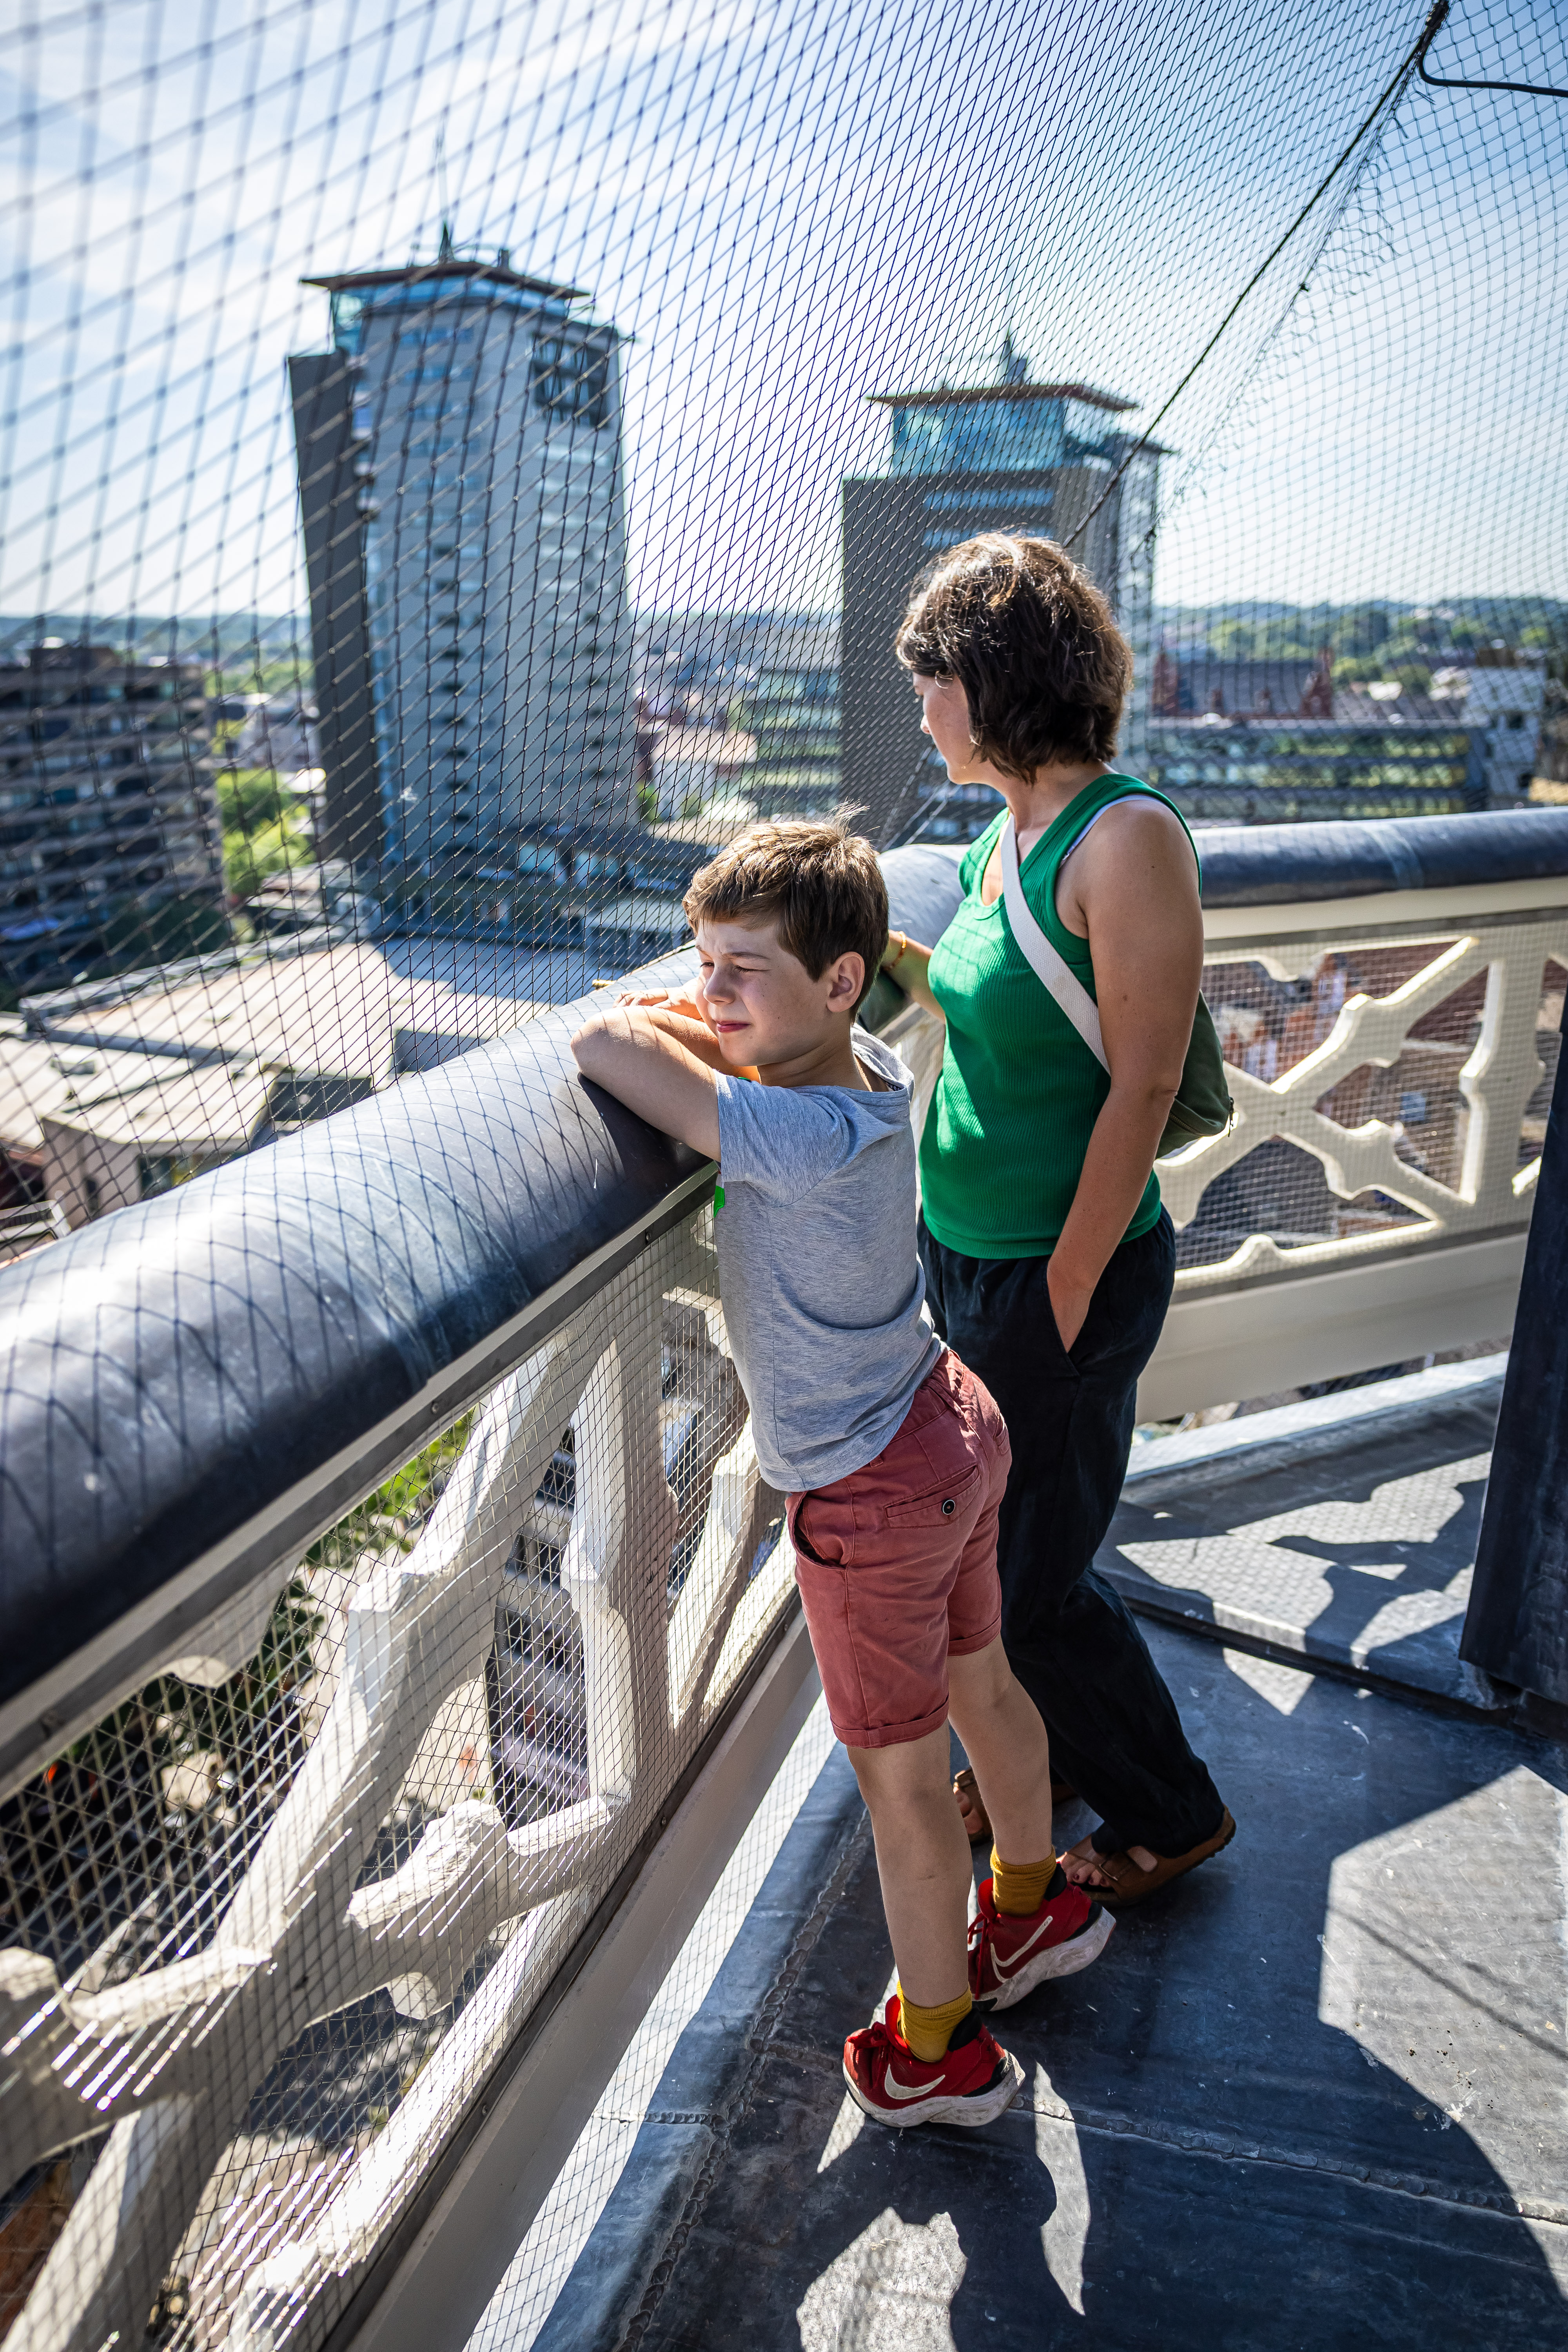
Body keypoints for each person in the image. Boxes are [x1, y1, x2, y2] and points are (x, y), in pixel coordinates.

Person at [571, 819, 1112, 2132]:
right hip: (948, 1422)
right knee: (987, 1686)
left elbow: (601, 1046)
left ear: (840, 981)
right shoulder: (862, 1070)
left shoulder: (793, 1135)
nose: (710, 994)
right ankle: (1033, 1910)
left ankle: (936, 2049)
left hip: (870, 1491)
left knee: (904, 1786)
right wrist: (728, 1002)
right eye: (702, 964)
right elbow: (736, 1045)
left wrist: (650, 1009)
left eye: (740, 968)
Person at [881, 533, 1234, 1904]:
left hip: (1055, 1274)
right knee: (993, 1555)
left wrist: (1071, 1287)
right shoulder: (1002, 836)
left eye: (934, 683)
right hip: (969, 1260)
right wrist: (821, 949)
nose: (922, 711)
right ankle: (1057, 1755)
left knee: (1026, 1583)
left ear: (995, 682)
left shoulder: (1125, 838)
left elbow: (1144, 1080)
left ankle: (1171, 1812)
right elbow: (981, 1001)